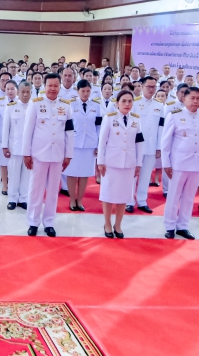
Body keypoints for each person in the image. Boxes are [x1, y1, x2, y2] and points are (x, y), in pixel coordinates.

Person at [22, 73, 74, 237]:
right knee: (36, 190)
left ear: (59, 87)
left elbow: (69, 132)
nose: (52, 89)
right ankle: (33, 222)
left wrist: (68, 154)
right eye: (50, 85)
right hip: (39, 154)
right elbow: (28, 130)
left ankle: (49, 222)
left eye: (55, 86)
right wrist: (26, 153)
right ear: (44, 86)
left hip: (58, 155)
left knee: (53, 191)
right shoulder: (35, 103)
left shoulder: (66, 106)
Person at [161, 87, 199, 239]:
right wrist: (166, 164)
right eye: (193, 98)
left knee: (189, 196)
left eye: (198, 98)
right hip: (179, 162)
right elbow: (165, 142)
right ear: (184, 98)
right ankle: (170, 225)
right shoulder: (174, 115)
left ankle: (183, 225)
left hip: (197, 162)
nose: (196, 101)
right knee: (174, 195)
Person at [97, 90, 144, 238]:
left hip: (128, 163)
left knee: (124, 195)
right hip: (111, 162)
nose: (127, 104)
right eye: (123, 101)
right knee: (108, 194)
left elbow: (139, 143)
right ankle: (107, 223)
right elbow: (102, 142)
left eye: (130, 101)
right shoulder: (109, 118)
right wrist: (100, 161)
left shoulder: (136, 120)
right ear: (117, 103)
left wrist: (139, 163)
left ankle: (118, 224)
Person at [127, 76, 164, 213]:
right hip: (136, 145)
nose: (151, 89)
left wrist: (159, 146)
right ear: (141, 87)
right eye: (148, 86)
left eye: (154, 87)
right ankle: (129, 201)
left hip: (151, 146)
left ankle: (142, 200)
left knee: (146, 174)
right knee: (132, 174)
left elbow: (161, 128)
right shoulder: (134, 103)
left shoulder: (160, 105)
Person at [68, 79, 102, 211]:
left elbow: (99, 126)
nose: (86, 94)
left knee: (84, 173)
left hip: (90, 144)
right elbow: (67, 126)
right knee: (71, 173)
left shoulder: (96, 106)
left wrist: (98, 144)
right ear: (77, 91)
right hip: (74, 144)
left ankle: (80, 200)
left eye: (88, 91)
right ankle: (72, 199)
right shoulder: (71, 105)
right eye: (83, 91)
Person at [2, 81, 32, 210]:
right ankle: (12, 198)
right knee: (13, 174)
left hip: (30, 149)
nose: (25, 95)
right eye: (22, 92)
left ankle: (23, 198)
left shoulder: (34, 107)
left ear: (31, 93)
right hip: (14, 146)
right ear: (18, 93)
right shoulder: (11, 107)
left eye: (27, 92)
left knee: (27, 175)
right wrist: (4, 146)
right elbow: (5, 128)